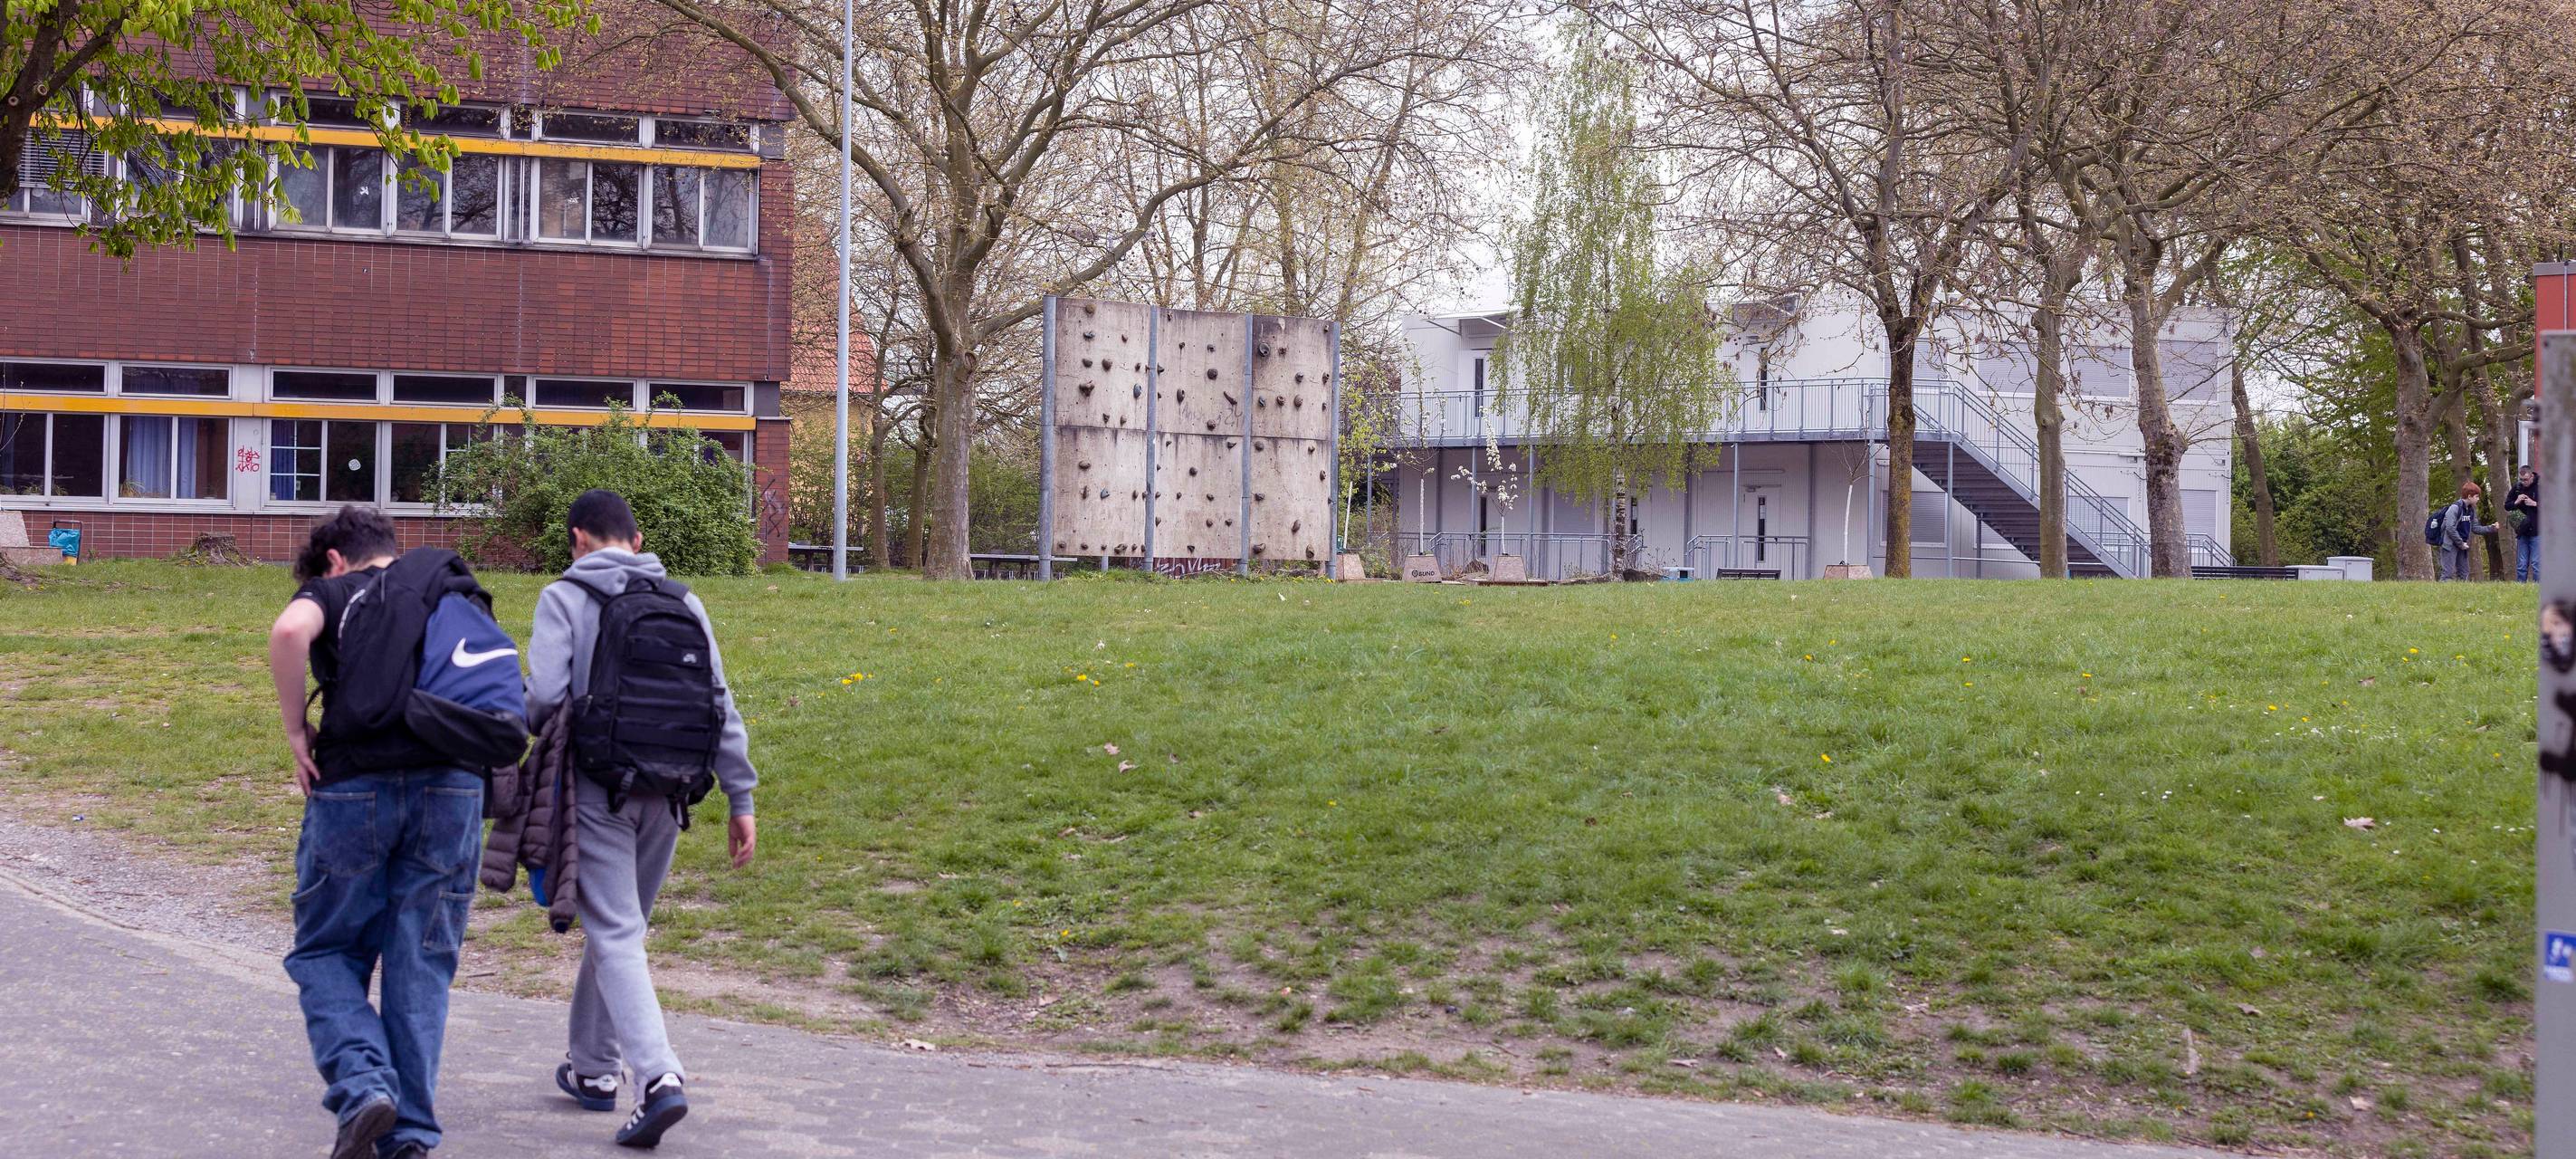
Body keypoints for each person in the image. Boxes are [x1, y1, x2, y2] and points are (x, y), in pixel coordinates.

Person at [267, 507, 510, 1159]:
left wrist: (295, 731)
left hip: (355, 788)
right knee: (420, 961)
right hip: (454, 787)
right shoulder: (445, 591)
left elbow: (289, 631)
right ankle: (409, 1135)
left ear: (334, 560)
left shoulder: (336, 591)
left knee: (327, 952)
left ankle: (364, 1083)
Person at [526, 489, 758, 1148]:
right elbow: (720, 704)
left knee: (616, 932)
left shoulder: (563, 597)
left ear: (577, 538)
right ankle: (594, 1069)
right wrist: (741, 796)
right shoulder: (684, 601)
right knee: (620, 930)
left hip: (598, 788)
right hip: (673, 790)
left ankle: (658, 1078)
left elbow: (543, 699)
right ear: (637, 540)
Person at [2437, 481, 2498, 581]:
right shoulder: (2454, 508)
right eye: (2477, 496)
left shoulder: (2471, 510)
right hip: (2450, 544)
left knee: (2464, 573)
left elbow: (2476, 528)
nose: (2478, 499)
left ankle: (2460, 591)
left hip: (2462, 545)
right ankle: (2443, 590)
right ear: (2469, 496)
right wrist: (2460, 543)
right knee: (2448, 574)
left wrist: (2491, 528)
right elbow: (2450, 528)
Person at [2508, 465, 2542, 582]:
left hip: (2538, 532)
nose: (2523, 482)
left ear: (2532, 476)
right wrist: (2516, 502)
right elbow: (2507, 505)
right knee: (2521, 564)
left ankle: (2538, 587)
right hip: (2522, 532)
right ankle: (2520, 587)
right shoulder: (2517, 488)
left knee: (2536, 564)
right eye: (2521, 479)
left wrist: (2535, 504)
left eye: (2526, 479)